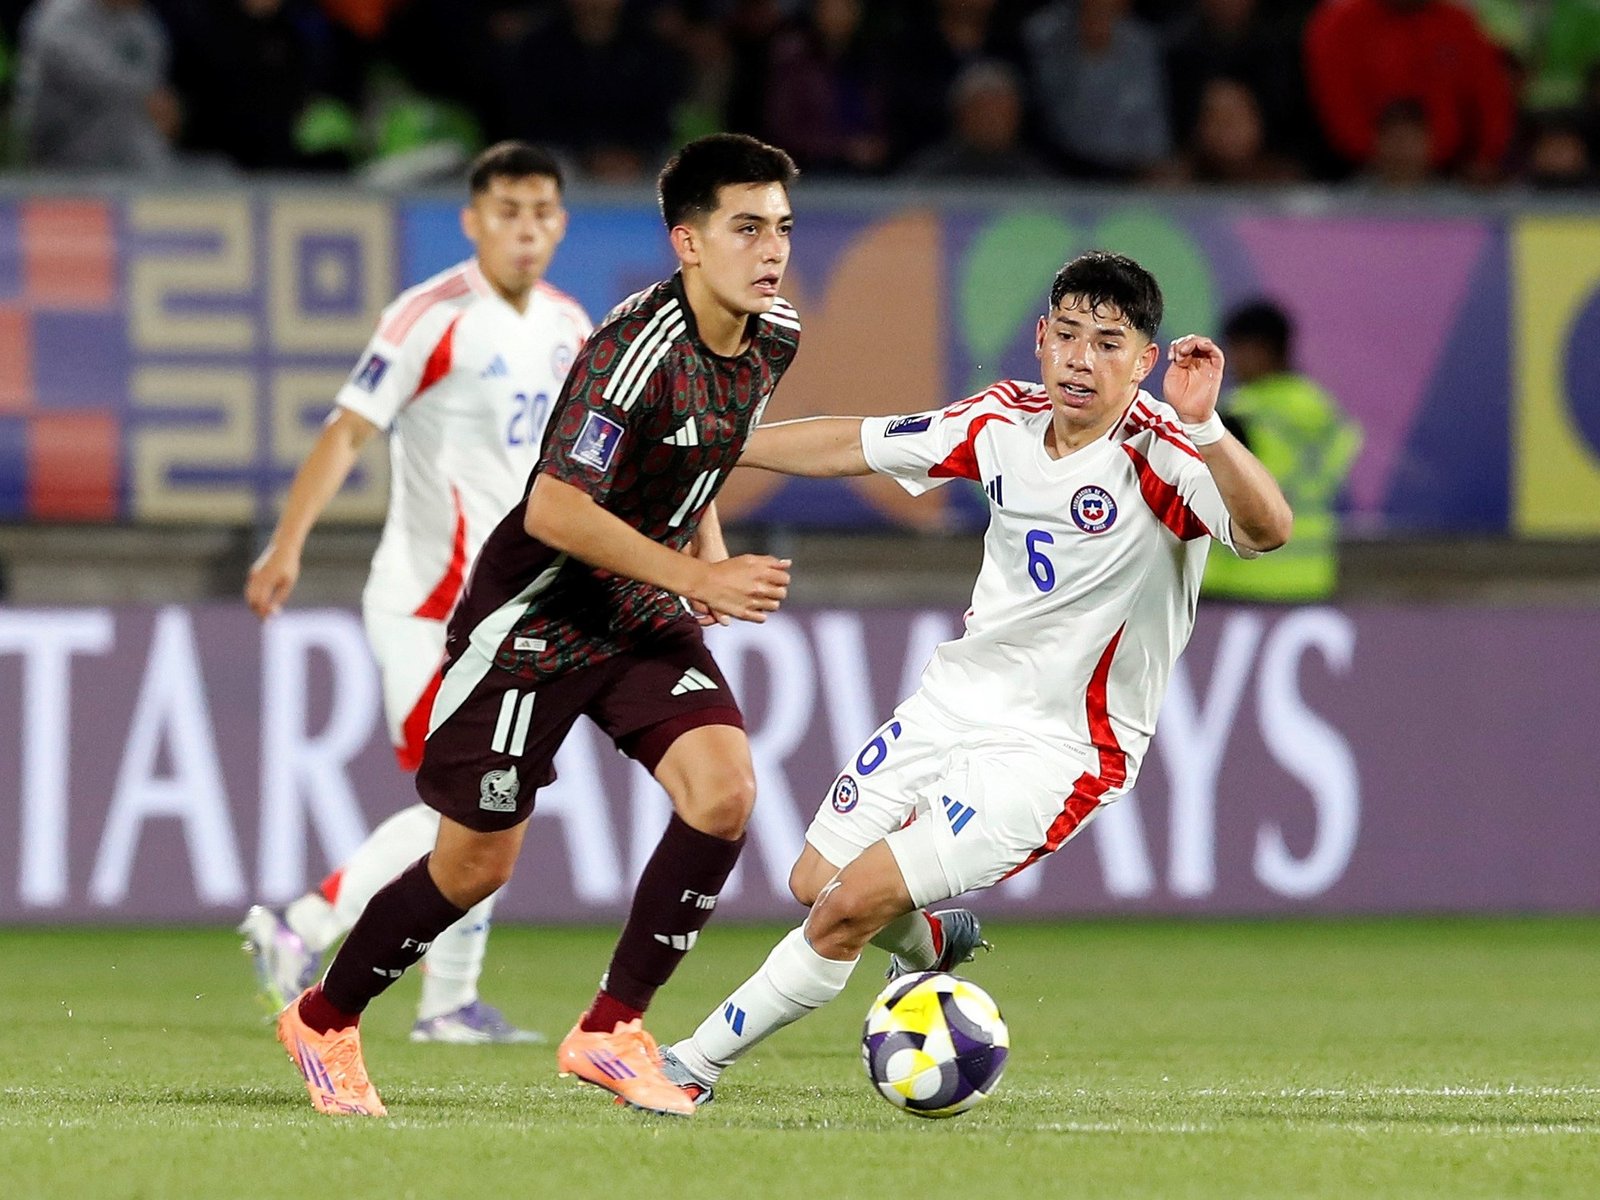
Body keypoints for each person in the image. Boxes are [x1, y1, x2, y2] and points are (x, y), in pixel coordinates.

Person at [652, 251, 1293, 1106]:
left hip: (1060, 745)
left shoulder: (1166, 455)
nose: (1080, 358)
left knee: (845, 909)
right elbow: (856, 443)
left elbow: (1269, 528)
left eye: (1108, 343)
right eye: (1066, 334)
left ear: (1145, 362)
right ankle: (932, 949)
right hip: (952, 703)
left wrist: (1209, 429)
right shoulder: (1001, 421)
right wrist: (720, 447)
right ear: (1039, 339)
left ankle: (686, 1068)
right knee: (815, 882)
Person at [273, 132, 802, 1119]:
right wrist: (699, 573)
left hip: (637, 608)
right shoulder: (627, 350)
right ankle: (325, 1016)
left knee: (724, 793)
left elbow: (708, 454)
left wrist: (702, 561)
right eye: (745, 228)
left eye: (780, 227)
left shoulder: (773, 336)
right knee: (475, 864)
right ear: (687, 243)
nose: (770, 249)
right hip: (538, 615)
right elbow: (556, 509)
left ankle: (609, 1029)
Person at [238, 140, 591, 1045]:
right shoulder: (428, 316)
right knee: (469, 804)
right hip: (429, 604)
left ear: (560, 221)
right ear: (473, 221)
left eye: (542, 210)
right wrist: (287, 544)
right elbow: (347, 431)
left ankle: (449, 1006)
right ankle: (306, 924)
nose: (526, 228)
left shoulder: (568, 325)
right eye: (507, 211)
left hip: (517, 605)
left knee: (493, 799)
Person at [1203, 300, 1362, 602]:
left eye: (1235, 350)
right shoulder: (1324, 412)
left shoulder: (1241, 415)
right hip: (1311, 578)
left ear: (1260, 349)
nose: (1231, 362)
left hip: (1241, 579)